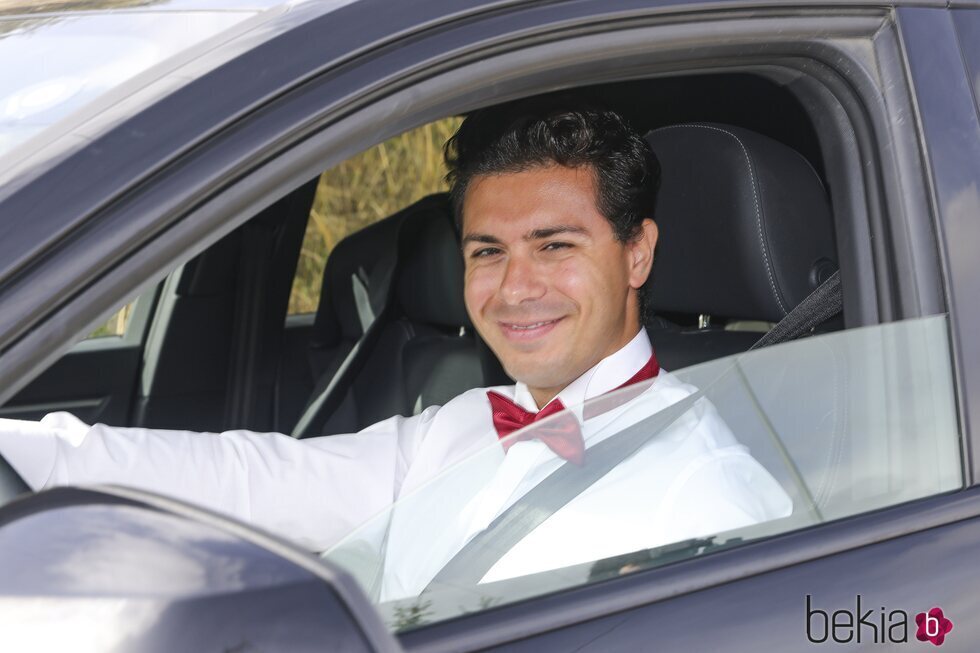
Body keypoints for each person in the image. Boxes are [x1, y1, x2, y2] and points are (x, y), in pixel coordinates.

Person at [0, 100, 791, 597]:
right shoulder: (460, 425)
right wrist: (34, 456)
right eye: (487, 251)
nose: (514, 288)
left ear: (637, 254)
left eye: (554, 246)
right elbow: (250, 477)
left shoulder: (713, 498)